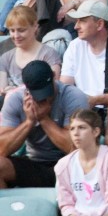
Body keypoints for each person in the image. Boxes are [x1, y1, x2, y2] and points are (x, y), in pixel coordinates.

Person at [0, 60, 89, 188]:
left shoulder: (74, 97)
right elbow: (2, 149)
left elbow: (75, 147)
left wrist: (43, 119)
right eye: (38, 94)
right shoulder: (15, 99)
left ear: (54, 75)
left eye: (47, 92)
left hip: (70, 164)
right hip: (34, 162)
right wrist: (29, 121)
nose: (43, 99)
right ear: (26, 87)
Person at [54, 109, 108, 216]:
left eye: (81, 128)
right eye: (72, 129)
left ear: (96, 132)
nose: (75, 133)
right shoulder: (63, 164)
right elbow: (66, 204)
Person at [60, 0, 108, 108]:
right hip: (82, 110)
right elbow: (65, 87)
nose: (76, 27)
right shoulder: (75, 46)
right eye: (77, 21)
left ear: (99, 24)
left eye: (82, 21)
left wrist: (96, 100)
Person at [0, 7, 61, 99]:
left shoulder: (49, 54)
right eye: (12, 30)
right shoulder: (6, 57)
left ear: (35, 26)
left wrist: (14, 92)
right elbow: (2, 89)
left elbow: (53, 87)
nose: (16, 36)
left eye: (21, 30)